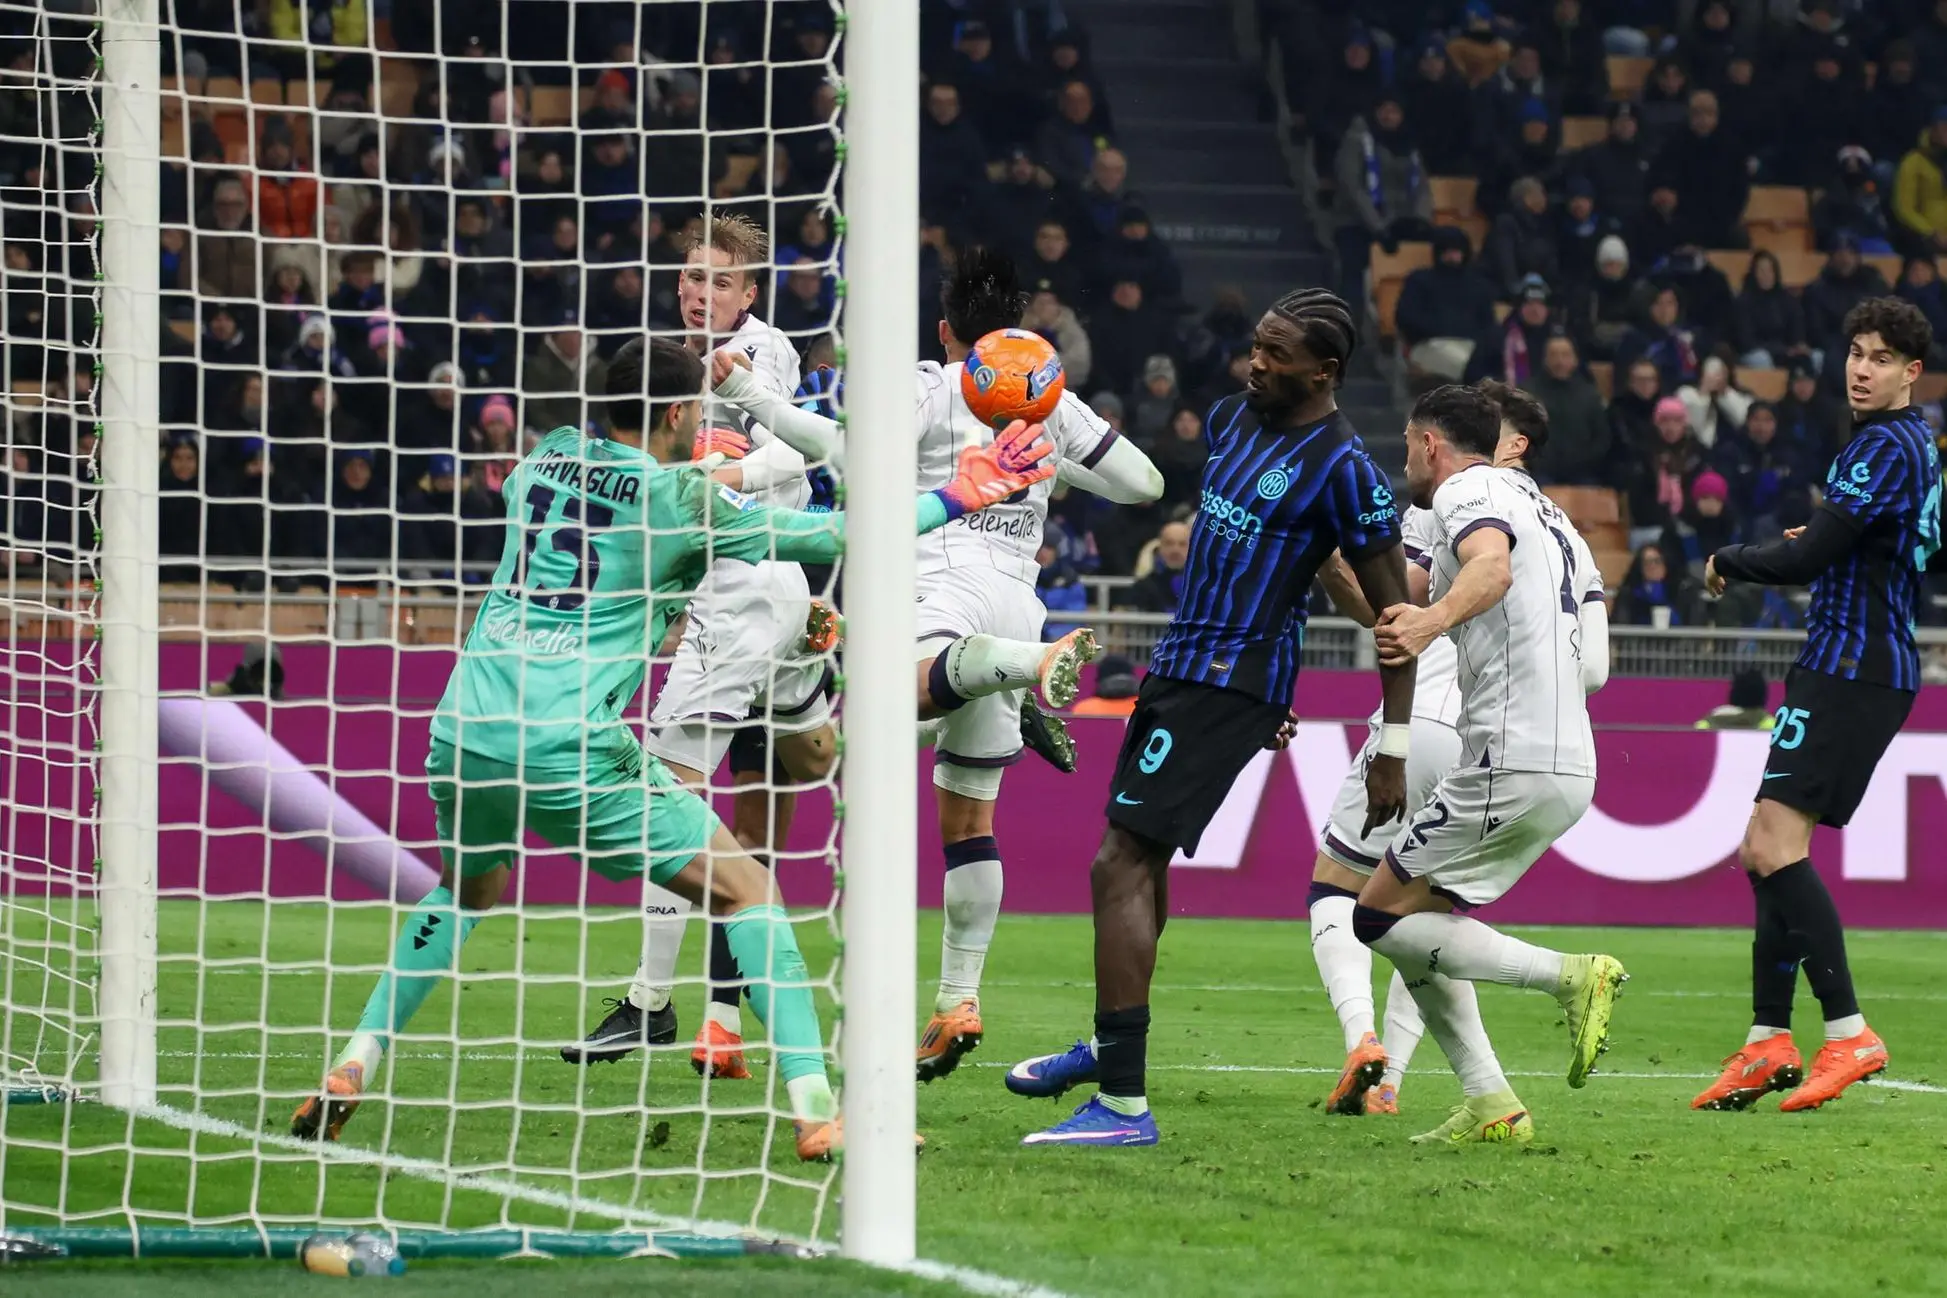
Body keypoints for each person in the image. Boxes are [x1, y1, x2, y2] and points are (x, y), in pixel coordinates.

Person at [292, 338, 1055, 1159]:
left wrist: (698, 470)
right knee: (748, 890)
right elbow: (833, 538)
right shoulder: (680, 502)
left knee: (467, 892)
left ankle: (352, 1062)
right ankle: (816, 1113)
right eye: (692, 407)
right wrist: (954, 496)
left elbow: (600, 498)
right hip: (568, 741)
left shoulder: (544, 457)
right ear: (673, 413)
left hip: (466, 728)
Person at [570, 250, 1164, 1081]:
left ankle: (1011, 668)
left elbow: (838, 450)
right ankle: (956, 997)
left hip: (934, 597)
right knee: (966, 821)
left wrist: (747, 398)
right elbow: (1145, 483)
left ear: (945, 327)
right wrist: (1054, 446)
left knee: (875, 716)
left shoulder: (929, 383)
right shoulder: (1048, 400)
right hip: (1017, 589)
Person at [1004, 289, 1418, 1146]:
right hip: (1182, 668)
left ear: (1325, 370)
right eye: (1254, 346)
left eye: (1273, 352)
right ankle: (1111, 1042)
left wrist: (1392, 744)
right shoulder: (1232, 418)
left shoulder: (1345, 469)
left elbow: (1391, 624)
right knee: (1138, 863)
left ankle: (1121, 1102)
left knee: (1115, 863)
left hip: (1226, 686)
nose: (1253, 363)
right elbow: (1296, 568)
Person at [1309, 379, 1609, 1118]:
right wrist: (1324, 558)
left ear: (1428, 443)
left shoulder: (1464, 492)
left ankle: (1569, 976)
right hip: (1568, 758)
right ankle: (1488, 1101)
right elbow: (1391, 607)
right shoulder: (1558, 521)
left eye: (1408, 443)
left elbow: (1486, 572)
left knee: (1367, 915)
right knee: (1418, 923)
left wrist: (1434, 622)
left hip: (1504, 754)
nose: (1403, 457)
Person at [1698, 298, 1939, 1112]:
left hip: (1853, 666)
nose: (1860, 368)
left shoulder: (1883, 444)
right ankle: (1768, 1041)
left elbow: (1817, 556)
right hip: (1848, 662)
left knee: (1770, 846)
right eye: (1854, 352)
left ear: (1911, 372)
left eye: (1879, 358)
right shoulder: (1913, 445)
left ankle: (1847, 1034)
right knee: (1763, 851)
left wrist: (1734, 556)